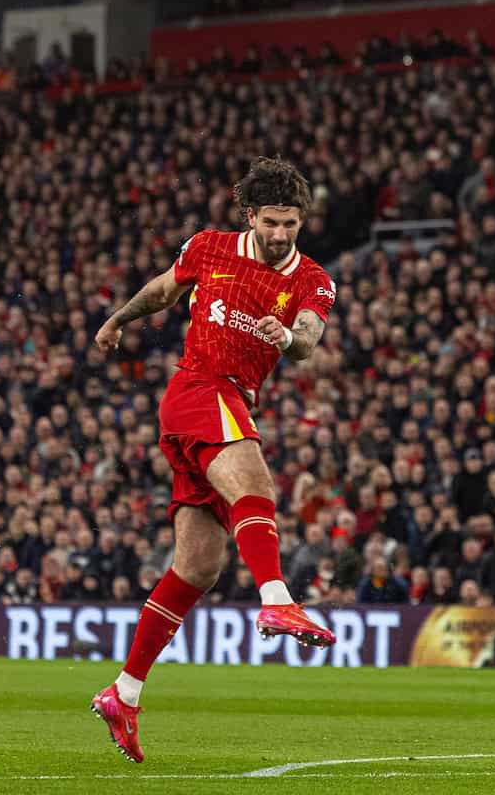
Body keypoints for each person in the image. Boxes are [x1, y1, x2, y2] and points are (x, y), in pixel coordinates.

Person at [89, 157, 339, 763]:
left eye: (292, 223)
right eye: (273, 221)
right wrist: (119, 319)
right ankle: (277, 600)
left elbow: (308, 340)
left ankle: (124, 692)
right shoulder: (210, 248)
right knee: (255, 480)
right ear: (251, 215)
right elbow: (163, 290)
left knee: (199, 566)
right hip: (201, 388)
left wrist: (288, 339)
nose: (282, 233)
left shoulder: (313, 279)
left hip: (227, 399)